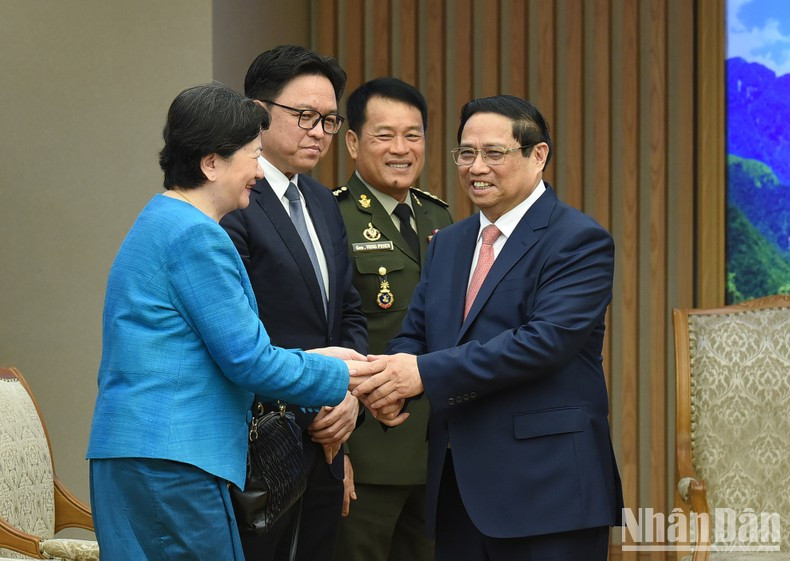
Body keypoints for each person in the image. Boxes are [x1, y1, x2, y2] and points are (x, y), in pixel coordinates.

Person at [86, 83, 381, 561]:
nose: (258, 173)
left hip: (143, 455)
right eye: (253, 156)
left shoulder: (160, 220)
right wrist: (343, 374)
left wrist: (312, 359)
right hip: (173, 461)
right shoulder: (196, 236)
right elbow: (249, 361)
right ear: (211, 163)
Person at [352, 95, 624, 561]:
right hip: (457, 490)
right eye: (466, 153)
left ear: (538, 155)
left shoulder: (578, 240)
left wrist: (421, 374)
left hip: (548, 492)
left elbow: (542, 344)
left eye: (494, 153)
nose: (476, 167)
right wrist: (389, 382)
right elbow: (415, 335)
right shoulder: (449, 243)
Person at [220, 45, 367, 561]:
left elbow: (349, 313)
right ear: (257, 112)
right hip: (260, 444)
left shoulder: (324, 202)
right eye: (305, 116)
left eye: (329, 120)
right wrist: (316, 398)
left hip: (329, 440)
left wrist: (349, 399)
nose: (319, 132)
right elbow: (238, 331)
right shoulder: (233, 199)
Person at [331, 77, 452, 561]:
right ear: (353, 142)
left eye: (413, 135)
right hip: (366, 452)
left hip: (436, 451)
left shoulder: (439, 219)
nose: (401, 149)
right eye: (384, 135)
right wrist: (337, 452)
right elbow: (326, 335)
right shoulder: (332, 217)